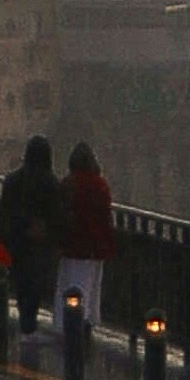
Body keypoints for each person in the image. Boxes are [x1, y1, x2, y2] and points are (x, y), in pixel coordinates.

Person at [3, 135, 66, 341]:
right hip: (40, 243)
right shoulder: (50, 182)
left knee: (21, 281)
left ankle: (25, 322)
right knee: (35, 283)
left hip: (16, 240)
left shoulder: (12, 180)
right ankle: (29, 326)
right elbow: (57, 214)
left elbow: (5, 210)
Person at [57, 138, 115, 343]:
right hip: (96, 246)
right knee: (91, 287)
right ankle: (87, 320)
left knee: (71, 284)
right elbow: (106, 217)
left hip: (73, 246)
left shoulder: (68, 184)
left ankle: (69, 323)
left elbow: (61, 215)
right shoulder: (101, 185)